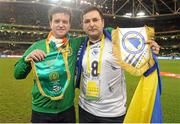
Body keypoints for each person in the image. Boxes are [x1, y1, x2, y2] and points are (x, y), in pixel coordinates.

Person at [76, 6, 160, 123]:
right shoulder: (80, 46)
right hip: (85, 110)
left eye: (95, 20)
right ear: (83, 25)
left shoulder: (119, 42)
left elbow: (143, 62)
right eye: (87, 21)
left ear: (103, 22)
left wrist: (151, 53)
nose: (91, 24)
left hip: (113, 113)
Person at [14, 6, 84, 123]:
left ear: (69, 25)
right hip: (41, 111)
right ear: (50, 23)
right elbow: (17, 74)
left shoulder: (75, 44)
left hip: (67, 111)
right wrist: (26, 60)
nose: (61, 25)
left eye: (65, 21)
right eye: (57, 21)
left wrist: (111, 32)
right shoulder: (37, 46)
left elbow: (97, 32)